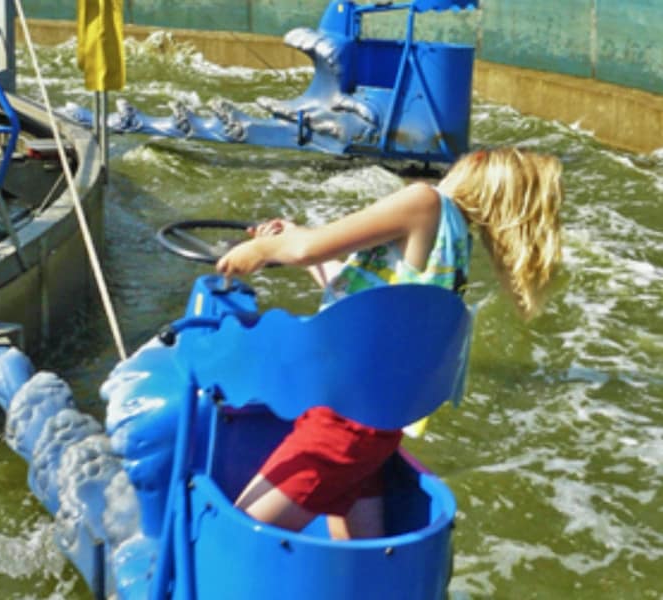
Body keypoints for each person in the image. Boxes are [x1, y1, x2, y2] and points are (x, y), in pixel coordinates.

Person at [215, 147, 564, 539]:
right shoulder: (453, 241)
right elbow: (356, 294)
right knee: (358, 570)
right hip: (374, 425)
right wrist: (290, 235)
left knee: (236, 533)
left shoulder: (423, 201)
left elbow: (306, 250)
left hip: (343, 420)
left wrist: (259, 250)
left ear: (476, 165)